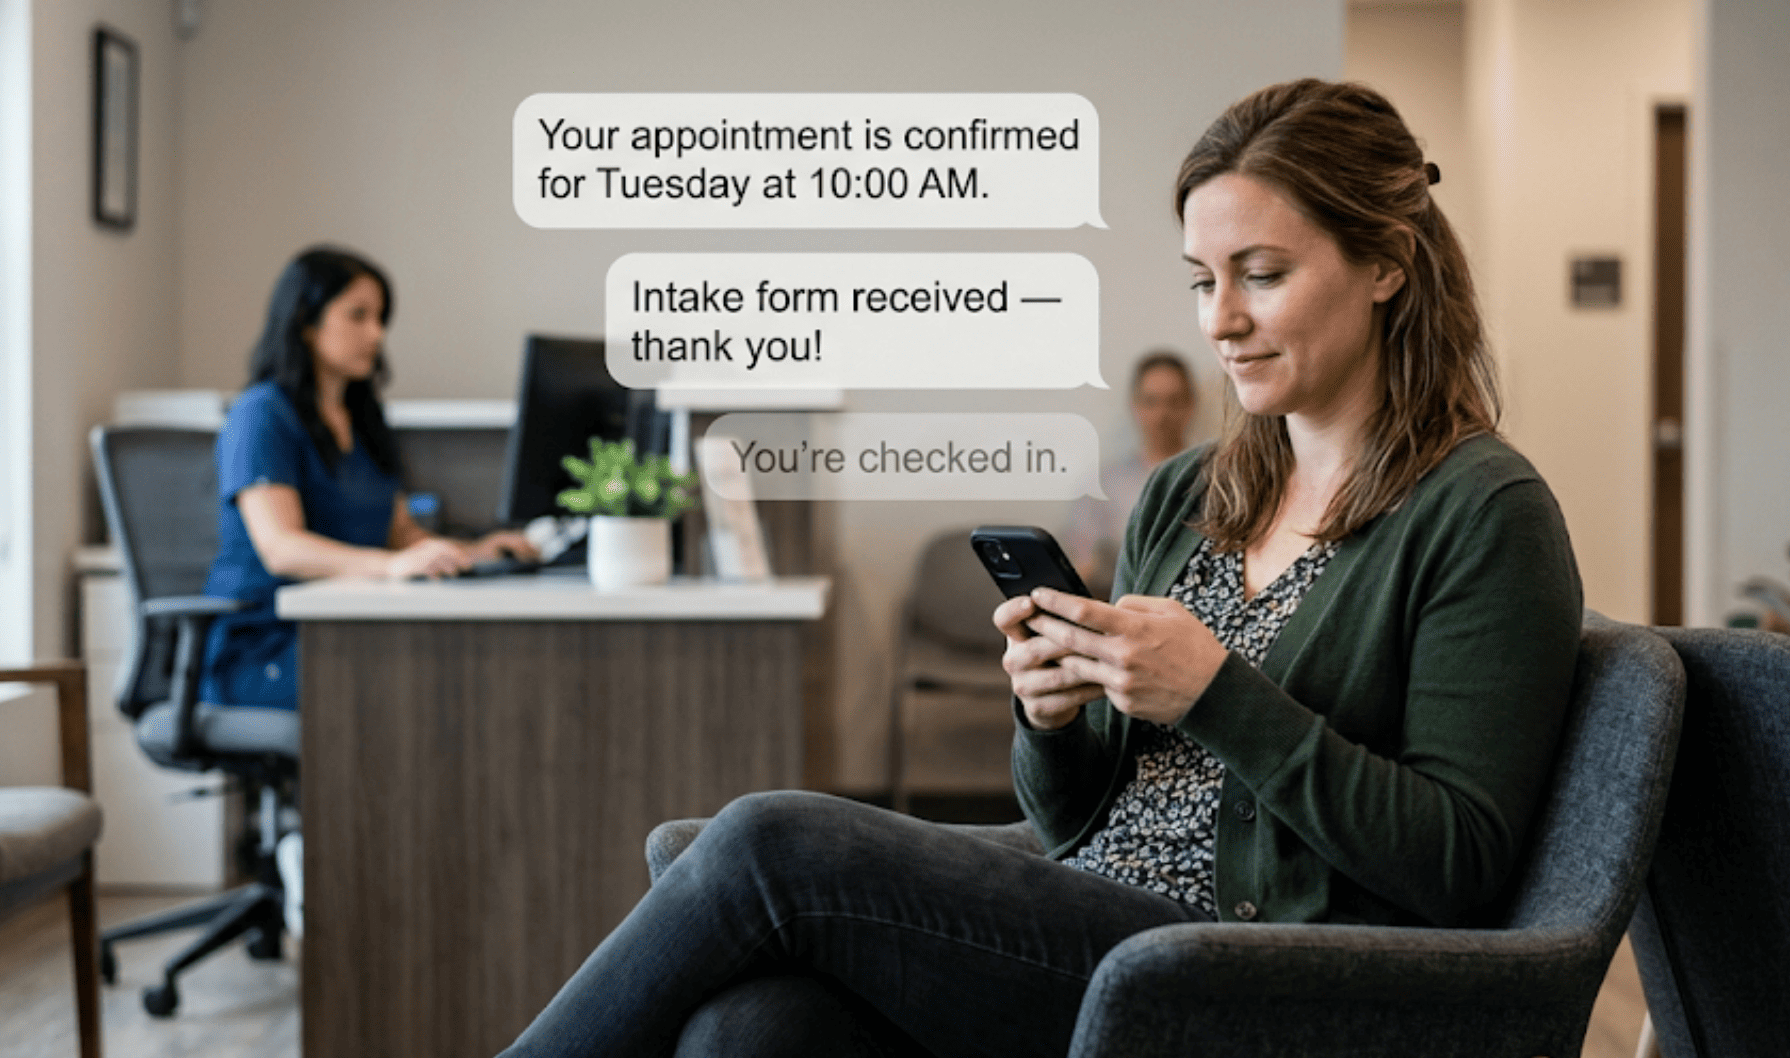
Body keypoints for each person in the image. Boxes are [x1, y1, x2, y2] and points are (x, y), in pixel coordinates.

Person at [497, 79, 1583, 1058]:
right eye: (1202, 280)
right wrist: (1051, 720)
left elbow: (1460, 863)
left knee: (764, 842)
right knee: (751, 1030)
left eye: (1262, 275)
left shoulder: (1481, 512)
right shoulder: (1189, 493)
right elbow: (1071, 822)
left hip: (1252, 969)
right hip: (1088, 918)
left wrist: (1216, 694)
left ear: (1388, 261)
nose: (1221, 321)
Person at [201, 246, 536, 713]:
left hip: (342, 631)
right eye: (357, 316)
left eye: (380, 319)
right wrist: (388, 567)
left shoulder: (362, 422)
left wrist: (473, 553)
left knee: (468, 666)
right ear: (305, 320)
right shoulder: (260, 416)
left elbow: (401, 533)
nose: (375, 334)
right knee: (433, 688)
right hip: (265, 648)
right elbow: (282, 548)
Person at [1061, 350, 1197, 597]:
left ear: (1191, 405)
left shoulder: (1219, 478)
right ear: (1135, 406)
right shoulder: (1104, 485)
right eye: (1151, 401)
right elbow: (1082, 563)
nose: (1162, 414)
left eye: (1174, 401)